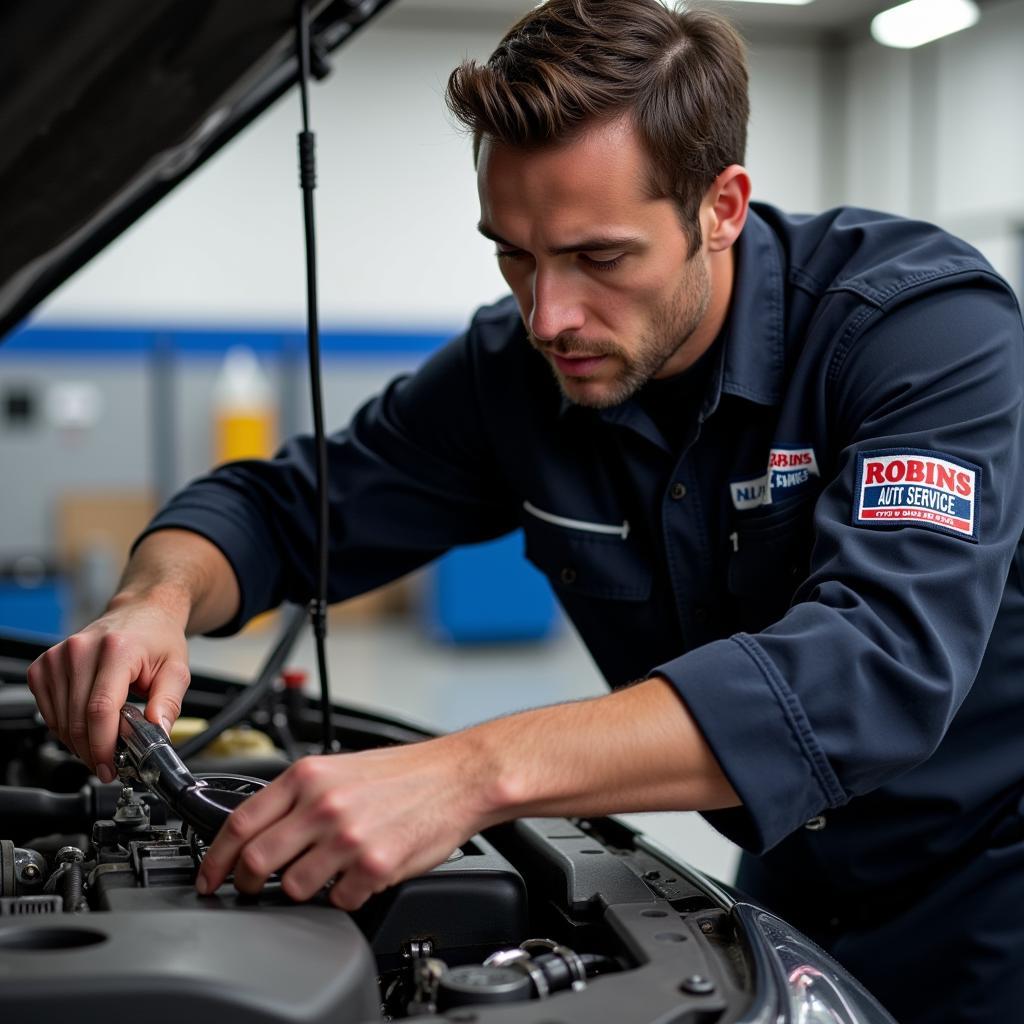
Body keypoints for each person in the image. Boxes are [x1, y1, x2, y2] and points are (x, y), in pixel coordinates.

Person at [27, 2, 1024, 1021]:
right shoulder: (514, 375)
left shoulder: (914, 328)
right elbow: (283, 506)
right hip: (788, 878)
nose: (548, 316)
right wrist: (154, 600)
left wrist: (470, 771)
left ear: (718, 207)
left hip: (992, 884)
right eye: (513, 254)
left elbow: (877, 662)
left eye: (598, 257)